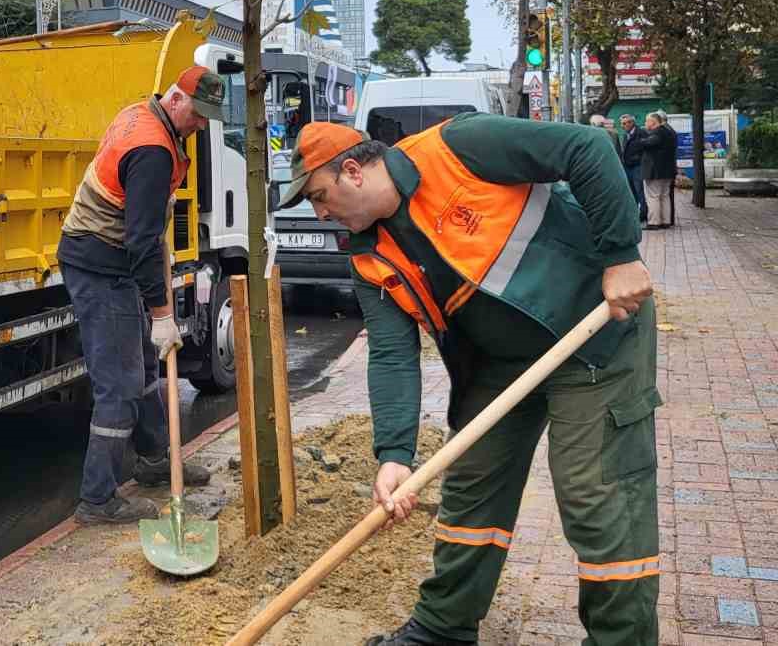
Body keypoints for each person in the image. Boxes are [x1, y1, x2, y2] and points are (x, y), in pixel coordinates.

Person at [276, 117, 658, 646]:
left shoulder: (458, 147)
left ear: (352, 171)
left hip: (593, 331)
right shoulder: (367, 254)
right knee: (472, 490)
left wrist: (621, 256)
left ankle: (621, 639)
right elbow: (391, 354)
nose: (319, 212)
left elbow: (587, 146)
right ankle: (443, 629)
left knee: (596, 496)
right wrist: (394, 454)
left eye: (320, 196)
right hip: (497, 365)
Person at [57, 66, 221, 524]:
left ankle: (154, 462)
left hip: (112, 258)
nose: (202, 125)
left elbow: (147, 236)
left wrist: (157, 312)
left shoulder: (145, 114)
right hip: (99, 264)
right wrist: (163, 314)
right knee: (121, 383)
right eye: (199, 115)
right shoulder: (152, 149)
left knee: (146, 367)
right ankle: (97, 500)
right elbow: (143, 243)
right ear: (176, 100)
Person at [641, 112, 678, 230]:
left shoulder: (657, 133)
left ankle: (654, 222)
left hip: (655, 171)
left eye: (647, 121)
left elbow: (648, 143)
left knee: (653, 197)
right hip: (668, 171)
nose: (645, 123)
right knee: (665, 196)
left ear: (653, 122)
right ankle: (665, 221)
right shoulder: (670, 132)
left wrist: (640, 141)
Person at [619, 114, 648, 223]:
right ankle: (634, 215)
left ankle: (643, 215)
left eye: (625, 123)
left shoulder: (641, 133)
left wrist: (637, 160)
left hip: (638, 167)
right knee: (631, 192)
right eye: (622, 124)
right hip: (627, 167)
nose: (623, 126)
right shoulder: (625, 135)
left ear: (632, 123)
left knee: (640, 191)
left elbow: (645, 150)